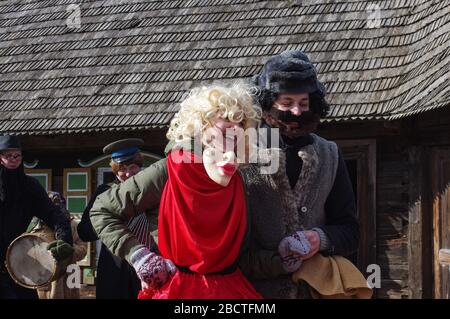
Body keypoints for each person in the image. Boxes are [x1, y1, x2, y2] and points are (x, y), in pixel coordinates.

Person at [90, 83, 262, 299]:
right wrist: (139, 255)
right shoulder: (168, 171)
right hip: (179, 289)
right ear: (202, 125)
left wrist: (283, 259)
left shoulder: (238, 179)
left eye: (240, 125)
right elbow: (102, 210)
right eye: (225, 122)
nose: (234, 131)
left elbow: (243, 255)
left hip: (230, 291)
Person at [236, 49, 360, 298]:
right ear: (268, 104)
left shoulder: (329, 153)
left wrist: (319, 239)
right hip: (254, 291)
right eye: (287, 103)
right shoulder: (242, 152)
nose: (296, 112)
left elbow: (350, 230)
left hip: (313, 290)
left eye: (303, 103)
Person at [77, 138, 154, 299]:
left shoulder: (152, 190)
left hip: (148, 261)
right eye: (122, 169)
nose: (127, 174)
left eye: (132, 167)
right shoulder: (104, 193)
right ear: (114, 169)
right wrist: (108, 218)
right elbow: (84, 231)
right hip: (114, 265)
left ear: (140, 165)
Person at [0, 135, 73, 299]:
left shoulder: (30, 187)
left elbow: (54, 215)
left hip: (18, 264)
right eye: (8, 155)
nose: (13, 159)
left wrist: (64, 240)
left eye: (17, 155)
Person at [34, 191, 87, 299]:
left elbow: (83, 248)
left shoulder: (73, 225)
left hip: (70, 271)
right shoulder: (37, 228)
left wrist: (67, 249)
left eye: (58, 204)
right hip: (45, 273)